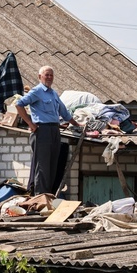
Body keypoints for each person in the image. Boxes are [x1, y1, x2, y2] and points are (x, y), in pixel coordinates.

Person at [15, 66, 81, 195]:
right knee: (43, 166)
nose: (49, 77)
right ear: (40, 77)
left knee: (52, 165)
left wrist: (77, 124)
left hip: (54, 130)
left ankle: (48, 195)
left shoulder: (53, 93)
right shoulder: (36, 91)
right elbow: (19, 104)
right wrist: (30, 123)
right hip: (42, 130)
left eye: (51, 75)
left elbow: (64, 112)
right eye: (47, 75)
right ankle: (40, 196)